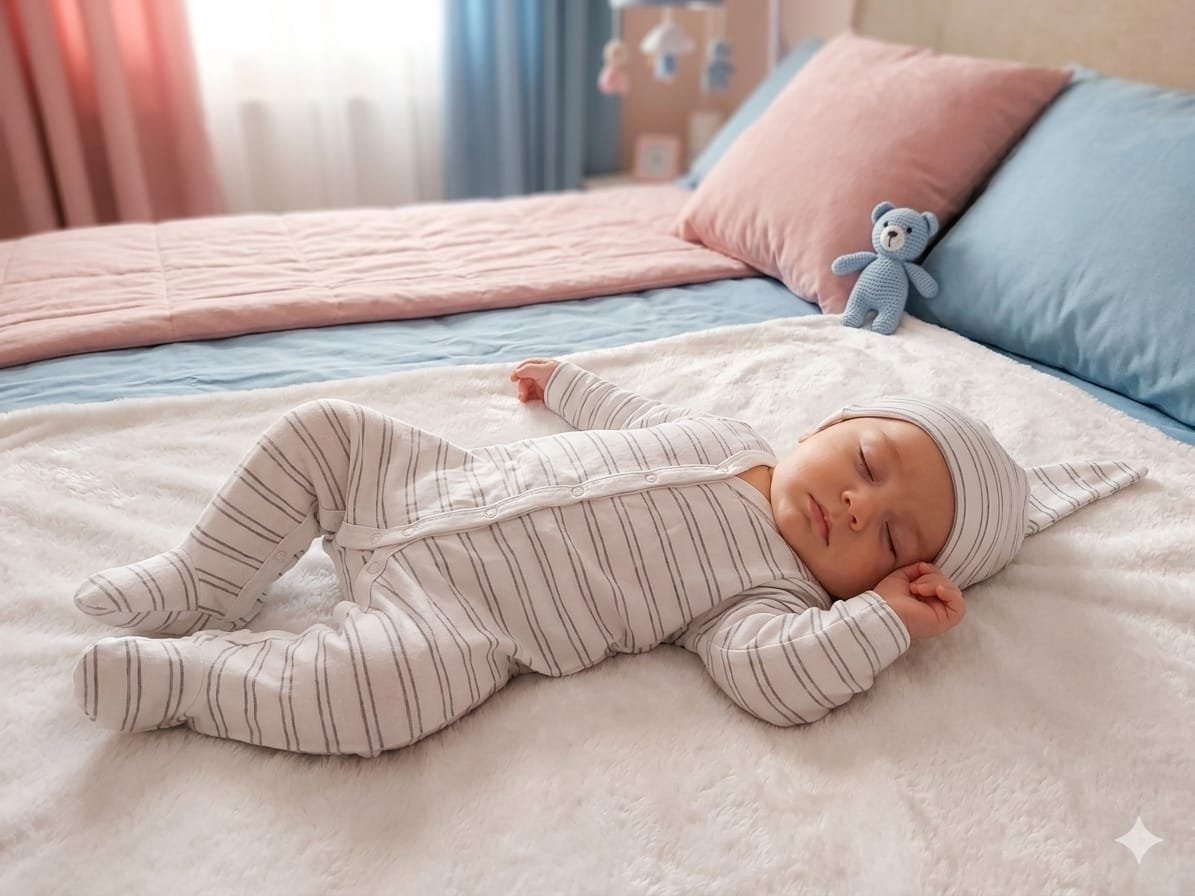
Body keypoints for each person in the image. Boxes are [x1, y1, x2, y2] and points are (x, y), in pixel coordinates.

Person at [72, 359, 1145, 756]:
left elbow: (774, 681)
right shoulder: (731, 437)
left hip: (460, 621)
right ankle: (205, 579)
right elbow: (635, 412)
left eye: (894, 538)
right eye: (866, 462)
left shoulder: (766, 597)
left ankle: (193, 681)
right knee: (323, 429)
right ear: (831, 423)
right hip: (428, 485)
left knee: (374, 698)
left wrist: (881, 624)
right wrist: (568, 384)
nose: (859, 505)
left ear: (887, 573)